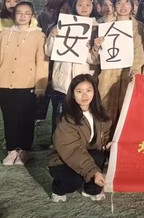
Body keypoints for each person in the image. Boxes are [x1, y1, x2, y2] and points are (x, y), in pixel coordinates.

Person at [0, 0, 48, 165]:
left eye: (27, 13)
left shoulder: (39, 35)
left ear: (32, 16)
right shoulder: (4, 34)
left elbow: (42, 62)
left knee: (26, 118)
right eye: (19, 13)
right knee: (9, 117)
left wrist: (40, 86)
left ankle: (24, 150)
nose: (23, 16)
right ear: (14, 15)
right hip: (6, 83)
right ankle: (11, 150)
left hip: (28, 84)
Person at [48, 74, 111, 203]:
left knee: (99, 156)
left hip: (87, 156)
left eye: (88, 90)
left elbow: (105, 136)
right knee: (75, 180)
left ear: (94, 92)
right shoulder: (66, 119)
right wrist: (93, 172)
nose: (84, 95)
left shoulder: (100, 114)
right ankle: (58, 188)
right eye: (79, 91)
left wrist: (108, 145)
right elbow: (73, 150)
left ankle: (91, 189)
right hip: (64, 159)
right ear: (72, 94)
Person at [45, 0, 101, 135]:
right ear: (74, 5)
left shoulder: (98, 28)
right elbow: (49, 52)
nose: (84, 8)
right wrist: (53, 37)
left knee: (83, 118)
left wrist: (94, 47)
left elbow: (94, 60)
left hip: (84, 81)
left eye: (88, 5)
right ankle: (58, 144)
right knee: (62, 117)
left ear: (93, 6)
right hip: (64, 81)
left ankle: (83, 143)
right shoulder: (63, 24)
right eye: (80, 4)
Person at [97, 0, 144, 128]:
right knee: (106, 109)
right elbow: (98, 56)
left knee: (127, 110)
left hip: (129, 74)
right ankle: (104, 138)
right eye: (119, 3)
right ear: (114, 6)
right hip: (108, 73)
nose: (123, 6)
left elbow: (139, 52)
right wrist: (96, 46)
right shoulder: (105, 26)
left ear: (132, 6)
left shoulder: (139, 27)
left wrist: (135, 69)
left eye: (127, 3)